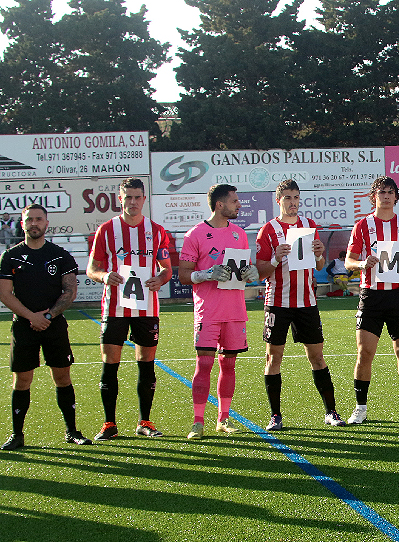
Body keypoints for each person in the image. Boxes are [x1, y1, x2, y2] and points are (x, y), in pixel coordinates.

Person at [86, 177, 173, 440]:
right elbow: (92, 269)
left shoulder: (156, 231)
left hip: (147, 308)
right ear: (120, 199)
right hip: (114, 308)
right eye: (128, 197)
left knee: (146, 365)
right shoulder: (106, 230)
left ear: (144, 200)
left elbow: (166, 269)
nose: (132, 202)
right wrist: (104, 276)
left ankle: (144, 422)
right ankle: (109, 424)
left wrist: (160, 278)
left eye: (137, 197)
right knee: (110, 364)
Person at [255, 178, 343, 432]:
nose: (293, 203)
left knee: (317, 356)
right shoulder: (268, 230)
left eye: (296, 198)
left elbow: (317, 265)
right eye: (288, 198)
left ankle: (331, 411)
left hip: (307, 301)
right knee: (274, 357)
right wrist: (274, 259)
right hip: (278, 302)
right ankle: (275, 416)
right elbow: (260, 272)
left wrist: (318, 254)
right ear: (278, 200)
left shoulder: (308, 225)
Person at [0, 204, 90, 450]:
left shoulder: (60, 255)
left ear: (46, 223)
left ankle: (72, 431)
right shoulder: (10, 256)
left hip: (54, 326)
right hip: (23, 326)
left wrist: (48, 316)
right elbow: (5, 294)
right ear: (22, 223)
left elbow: (70, 291)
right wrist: (32, 317)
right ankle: (17, 435)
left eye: (38, 219)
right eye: (29, 220)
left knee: (62, 377)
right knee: (22, 380)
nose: (34, 223)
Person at [345, 176, 399, 424]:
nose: (386, 196)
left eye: (390, 192)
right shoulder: (362, 226)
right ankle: (360, 408)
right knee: (365, 352)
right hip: (371, 295)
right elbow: (349, 262)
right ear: (374, 197)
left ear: (396, 196)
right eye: (382, 192)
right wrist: (361, 263)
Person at [179, 183, 257, 439]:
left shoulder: (240, 234)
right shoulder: (195, 234)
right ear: (220, 204)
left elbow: (242, 270)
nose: (239, 205)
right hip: (209, 311)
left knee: (229, 364)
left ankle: (223, 419)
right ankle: (198, 422)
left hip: (235, 310)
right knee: (204, 364)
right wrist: (204, 274)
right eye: (234, 201)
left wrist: (250, 273)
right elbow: (184, 275)